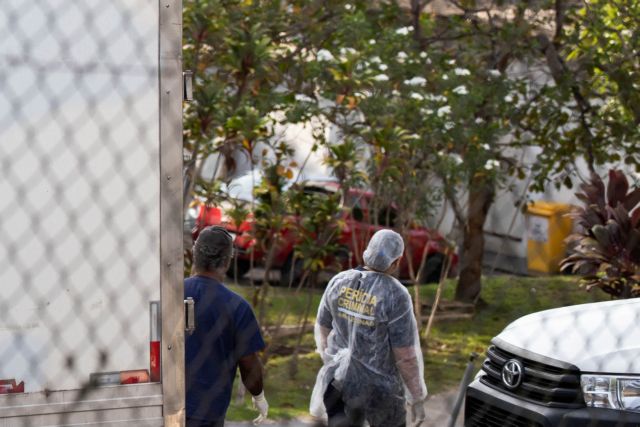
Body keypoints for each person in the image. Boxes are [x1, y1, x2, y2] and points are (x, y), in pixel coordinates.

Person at [310, 229, 428, 427]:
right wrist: (416, 398)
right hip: (380, 393)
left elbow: (322, 328)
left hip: (338, 384)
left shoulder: (339, 282)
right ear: (396, 261)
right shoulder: (395, 295)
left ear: (367, 251)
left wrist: (335, 360)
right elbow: (405, 356)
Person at [185, 226, 269, 427]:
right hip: (207, 412)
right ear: (227, 261)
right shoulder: (237, 307)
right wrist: (259, 396)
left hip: (168, 401)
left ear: (195, 255)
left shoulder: (170, 292)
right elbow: (248, 364)